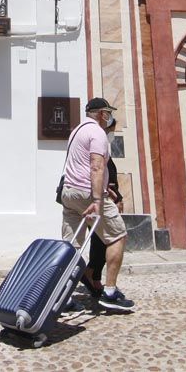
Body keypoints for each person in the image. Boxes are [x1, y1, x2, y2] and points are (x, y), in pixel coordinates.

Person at [60, 98, 134, 312]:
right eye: (108, 112)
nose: (109, 117)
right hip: (87, 193)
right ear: (102, 114)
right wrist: (97, 200)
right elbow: (96, 167)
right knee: (117, 235)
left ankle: (63, 297)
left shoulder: (76, 131)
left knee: (71, 246)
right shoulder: (98, 133)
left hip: (69, 192)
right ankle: (110, 292)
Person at [81, 115, 123, 298]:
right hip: (95, 198)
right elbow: (97, 169)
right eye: (110, 129)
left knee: (100, 241)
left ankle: (93, 276)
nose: (111, 133)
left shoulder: (99, 142)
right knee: (111, 238)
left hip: (96, 197)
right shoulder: (96, 139)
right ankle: (102, 283)